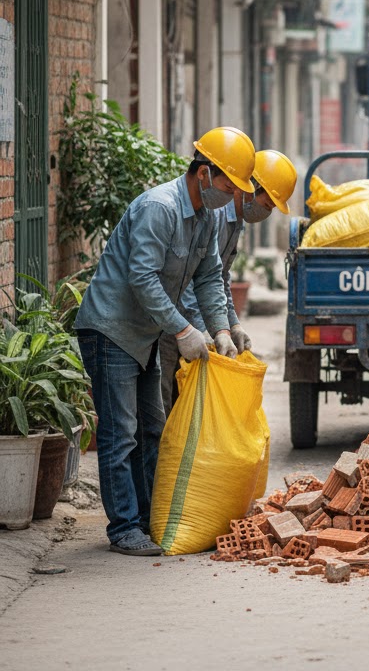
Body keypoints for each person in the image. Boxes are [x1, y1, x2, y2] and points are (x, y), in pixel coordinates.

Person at [74, 127, 257, 557]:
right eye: (230, 185)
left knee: (152, 428)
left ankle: (149, 517)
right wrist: (183, 330)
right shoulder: (160, 208)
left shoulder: (207, 217)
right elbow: (142, 278)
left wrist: (222, 330)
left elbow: (210, 277)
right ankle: (124, 528)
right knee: (121, 434)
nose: (232, 195)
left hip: (146, 335)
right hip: (112, 330)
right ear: (205, 173)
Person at [159, 147, 298, 413]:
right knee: (166, 404)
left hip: (194, 324)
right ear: (248, 189)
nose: (266, 213)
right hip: (175, 323)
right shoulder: (217, 214)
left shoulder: (236, 222)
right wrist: (199, 328)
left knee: (189, 406)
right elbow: (190, 277)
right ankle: (163, 454)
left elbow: (219, 277)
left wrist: (231, 325)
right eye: (267, 204)